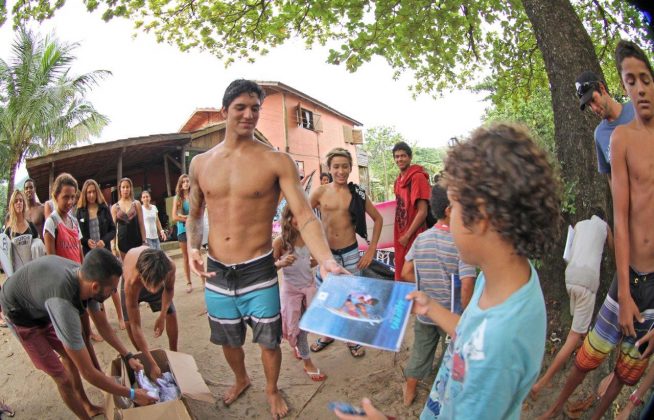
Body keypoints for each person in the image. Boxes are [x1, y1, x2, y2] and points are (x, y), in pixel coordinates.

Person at [336, 123, 561, 420]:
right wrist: (432, 307)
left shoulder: (496, 350)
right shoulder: (505, 274)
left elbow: (484, 346)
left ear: (479, 218)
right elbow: (471, 334)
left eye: (452, 207)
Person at [185, 79, 347, 419]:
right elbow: (196, 212)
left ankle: (271, 389)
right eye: (240, 107)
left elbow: (304, 216)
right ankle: (241, 378)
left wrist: (327, 261)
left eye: (255, 108)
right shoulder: (201, 164)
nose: (248, 114)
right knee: (228, 340)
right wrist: (192, 249)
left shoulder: (277, 161)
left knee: (268, 341)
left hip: (258, 268)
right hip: (217, 269)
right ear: (225, 110)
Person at [539, 40, 654, 420]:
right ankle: (553, 409)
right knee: (590, 353)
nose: (592, 108)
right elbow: (613, 192)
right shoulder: (603, 136)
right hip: (629, 252)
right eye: (585, 104)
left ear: (605, 88)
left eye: (593, 98)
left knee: (628, 367)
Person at [0, 249, 157, 419]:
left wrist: (128, 355)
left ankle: (87, 405)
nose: (113, 293)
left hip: (41, 302)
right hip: (20, 315)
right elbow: (88, 372)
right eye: (112, 289)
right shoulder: (64, 305)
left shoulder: (86, 278)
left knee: (71, 358)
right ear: (96, 286)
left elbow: (103, 327)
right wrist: (132, 394)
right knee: (63, 378)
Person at [399, 181, 477, 406]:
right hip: (450, 315)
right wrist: (463, 316)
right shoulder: (460, 242)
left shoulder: (421, 239)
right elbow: (468, 282)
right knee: (450, 354)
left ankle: (410, 390)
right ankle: (446, 394)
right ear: (449, 210)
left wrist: (424, 282)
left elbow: (405, 272)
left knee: (421, 349)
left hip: (425, 313)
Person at [530, 207, 613, 399]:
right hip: (587, 282)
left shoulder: (578, 225)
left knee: (578, 327)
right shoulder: (604, 226)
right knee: (574, 336)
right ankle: (542, 382)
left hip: (570, 278)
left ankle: (574, 348)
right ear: (603, 217)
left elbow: (568, 253)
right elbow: (614, 249)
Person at [309, 147, 383, 358]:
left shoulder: (357, 193)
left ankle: (352, 338)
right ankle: (328, 334)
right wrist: (312, 250)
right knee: (327, 297)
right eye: (336, 167)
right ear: (329, 169)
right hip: (327, 255)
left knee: (352, 298)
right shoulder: (320, 192)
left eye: (345, 166)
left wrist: (371, 249)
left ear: (350, 168)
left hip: (351, 253)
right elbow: (302, 218)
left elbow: (378, 219)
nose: (340, 171)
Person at [273, 206, 326, 382]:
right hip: (292, 292)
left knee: (305, 326)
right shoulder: (280, 242)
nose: (299, 220)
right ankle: (307, 363)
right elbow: (267, 269)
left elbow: (308, 262)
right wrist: (280, 263)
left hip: (309, 288)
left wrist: (312, 263)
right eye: (295, 216)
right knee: (298, 329)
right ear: (287, 218)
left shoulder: (309, 238)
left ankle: (298, 347)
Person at [121, 246, 177, 379]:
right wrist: (152, 363)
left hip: (152, 276)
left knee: (171, 313)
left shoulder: (170, 267)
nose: (152, 291)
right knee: (129, 323)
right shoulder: (131, 281)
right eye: (149, 286)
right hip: (134, 279)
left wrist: (162, 315)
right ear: (141, 276)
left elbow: (168, 290)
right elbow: (136, 325)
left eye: (156, 286)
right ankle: (144, 357)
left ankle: (175, 354)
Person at [76, 179, 124, 330]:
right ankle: (102, 321)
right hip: (90, 256)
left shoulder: (104, 209)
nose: (91, 195)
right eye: (88, 192)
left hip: (105, 254)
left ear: (97, 192)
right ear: (84, 194)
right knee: (95, 288)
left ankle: (121, 316)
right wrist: (86, 241)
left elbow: (112, 229)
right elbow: (77, 235)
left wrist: (104, 240)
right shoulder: (80, 211)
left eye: (93, 191)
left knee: (112, 285)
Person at [576, 70, 635, 182]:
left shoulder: (636, 109)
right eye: (589, 105)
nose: (593, 108)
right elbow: (611, 177)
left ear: (602, 88)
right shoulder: (599, 134)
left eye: (593, 100)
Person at [392, 141, 431, 281]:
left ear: (409, 158)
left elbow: (423, 212)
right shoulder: (398, 181)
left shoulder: (417, 177)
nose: (400, 159)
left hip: (414, 236)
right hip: (400, 235)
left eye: (403, 156)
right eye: (396, 156)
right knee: (400, 277)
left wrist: (407, 235)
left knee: (411, 275)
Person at [44, 173, 84, 264]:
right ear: (55, 197)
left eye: (72, 197)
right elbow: (52, 261)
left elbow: (80, 255)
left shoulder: (75, 222)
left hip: (77, 276)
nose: (70, 201)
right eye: (65, 197)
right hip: (62, 277)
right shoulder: (52, 223)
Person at [4, 190, 44, 270]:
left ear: (23, 203)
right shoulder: (9, 230)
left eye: (21, 200)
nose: (19, 203)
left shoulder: (31, 225)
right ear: (12, 205)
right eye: (16, 201)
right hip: (17, 273)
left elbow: (38, 245)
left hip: (32, 270)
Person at [111, 177, 146, 260]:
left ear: (131, 188)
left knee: (139, 267)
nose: (125, 189)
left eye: (127, 187)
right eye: (123, 187)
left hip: (137, 241)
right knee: (126, 268)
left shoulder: (136, 204)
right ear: (120, 189)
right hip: (122, 243)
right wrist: (113, 246)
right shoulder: (115, 207)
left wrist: (144, 241)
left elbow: (141, 224)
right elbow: (113, 228)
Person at [173, 174, 193, 292]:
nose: (185, 183)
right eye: (183, 182)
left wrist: (185, 217)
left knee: (197, 254)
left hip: (193, 229)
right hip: (182, 230)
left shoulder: (193, 196)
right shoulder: (177, 198)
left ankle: (204, 281)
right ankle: (189, 283)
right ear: (180, 184)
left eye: (187, 181)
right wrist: (188, 218)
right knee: (186, 257)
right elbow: (175, 217)